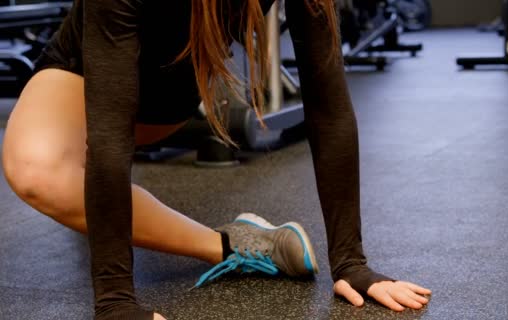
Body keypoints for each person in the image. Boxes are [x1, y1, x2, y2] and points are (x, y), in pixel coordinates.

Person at [1, 0, 431, 318]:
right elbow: (109, 139)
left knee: (97, 166)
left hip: (169, 101)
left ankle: (103, 208)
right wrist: (115, 300)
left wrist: (351, 263)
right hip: (84, 74)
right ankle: (234, 244)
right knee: (36, 169)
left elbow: (329, 106)